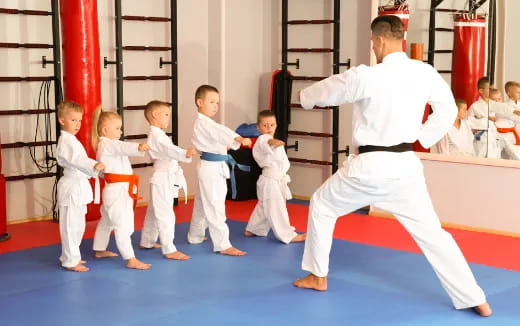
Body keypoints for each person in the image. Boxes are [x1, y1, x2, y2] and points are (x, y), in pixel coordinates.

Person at [292, 15, 492, 317]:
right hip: (405, 168)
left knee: (321, 204)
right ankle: (475, 297)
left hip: (369, 168)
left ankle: (317, 275)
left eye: (373, 42)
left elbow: (328, 89)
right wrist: (421, 137)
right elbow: (448, 109)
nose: (373, 46)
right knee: (433, 234)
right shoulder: (423, 72)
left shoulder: (366, 76)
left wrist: (303, 97)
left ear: (380, 40)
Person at [187, 85, 252, 256]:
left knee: (202, 204)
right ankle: (222, 244)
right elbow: (220, 132)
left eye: (217, 102)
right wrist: (237, 138)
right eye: (211, 102)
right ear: (199, 102)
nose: (215, 105)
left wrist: (235, 138)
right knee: (215, 206)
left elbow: (219, 131)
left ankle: (195, 235)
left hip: (211, 167)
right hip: (211, 168)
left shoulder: (208, 123)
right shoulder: (204, 123)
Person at [91, 109, 152, 270]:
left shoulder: (106, 145)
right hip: (117, 191)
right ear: (105, 130)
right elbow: (123, 147)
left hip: (116, 189)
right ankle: (130, 258)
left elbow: (121, 148)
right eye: (117, 128)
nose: (121, 131)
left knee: (107, 221)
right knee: (123, 224)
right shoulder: (109, 144)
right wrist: (138, 147)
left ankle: (99, 248)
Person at [139, 100, 195, 260]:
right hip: (162, 177)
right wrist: (185, 153)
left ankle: (147, 240)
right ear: (155, 115)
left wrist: (183, 154)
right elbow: (169, 150)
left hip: (163, 177)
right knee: (165, 213)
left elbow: (168, 150)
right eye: (166, 114)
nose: (168, 118)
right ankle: (169, 249)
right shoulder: (157, 136)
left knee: (154, 211)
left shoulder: (158, 134)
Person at [56, 101, 105, 272]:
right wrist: (93, 165)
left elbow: (79, 161)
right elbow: (77, 160)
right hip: (71, 188)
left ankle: (70, 255)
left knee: (78, 225)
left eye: (79, 120)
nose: (77, 124)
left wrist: (95, 169)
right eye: (73, 120)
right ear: (62, 120)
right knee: (70, 226)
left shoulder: (73, 140)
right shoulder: (66, 141)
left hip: (79, 187)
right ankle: (70, 261)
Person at [244, 110, 306, 243]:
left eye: (272, 125)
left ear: (276, 125)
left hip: (271, 180)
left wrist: (275, 142)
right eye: (265, 125)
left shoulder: (270, 138)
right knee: (277, 208)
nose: (269, 128)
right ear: (258, 127)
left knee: (264, 206)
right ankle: (288, 235)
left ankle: (253, 229)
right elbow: (267, 142)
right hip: (270, 181)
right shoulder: (263, 139)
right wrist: (273, 142)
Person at [467, 77, 502, 158]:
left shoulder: (496, 105)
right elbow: (468, 123)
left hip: (494, 139)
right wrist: (485, 120)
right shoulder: (475, 106)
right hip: (481, 140)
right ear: (481, 91)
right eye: (490, 88)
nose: (492, 90)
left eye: (493, 88)